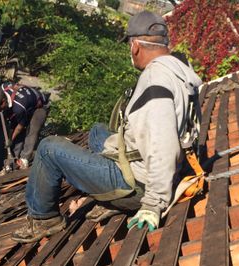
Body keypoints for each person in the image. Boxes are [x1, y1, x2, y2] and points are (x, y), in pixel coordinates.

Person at [11, 10, 202, 243]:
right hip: (151, 166)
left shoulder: (155, 83)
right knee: (97, 132)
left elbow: (164, 147)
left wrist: (153, 204)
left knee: (49, 148)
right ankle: (101, 182)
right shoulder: (178, 68)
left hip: (138, 185)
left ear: (135, 46)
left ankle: (43, 219)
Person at [0, 82, 50, 172]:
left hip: (40, 106)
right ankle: (12, 158)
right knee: (15, 128)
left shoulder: (19, 107)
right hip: (27, 104)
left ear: (3, 101)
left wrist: (11, 139)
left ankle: (25, 158)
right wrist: (10, 137)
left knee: (32, 130)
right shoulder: (2, 87)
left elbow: (20, 127)